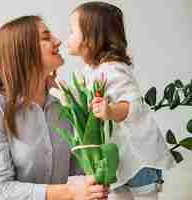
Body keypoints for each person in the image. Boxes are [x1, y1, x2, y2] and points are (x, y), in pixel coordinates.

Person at [0, 15, 109, 200]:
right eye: (46, 37)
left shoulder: (65, 103)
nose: (58, 41)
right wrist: (70, 192)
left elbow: (78, 171)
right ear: (23, 50)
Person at [67, 2, 175, 200]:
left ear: (91, 39)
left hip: (138, 156)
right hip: (119, 159)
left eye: (72, 31)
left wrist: (110, 111)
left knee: (145, 195)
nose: (68, 37)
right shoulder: (90, 71)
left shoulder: (112, 68)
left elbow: (132, 105)